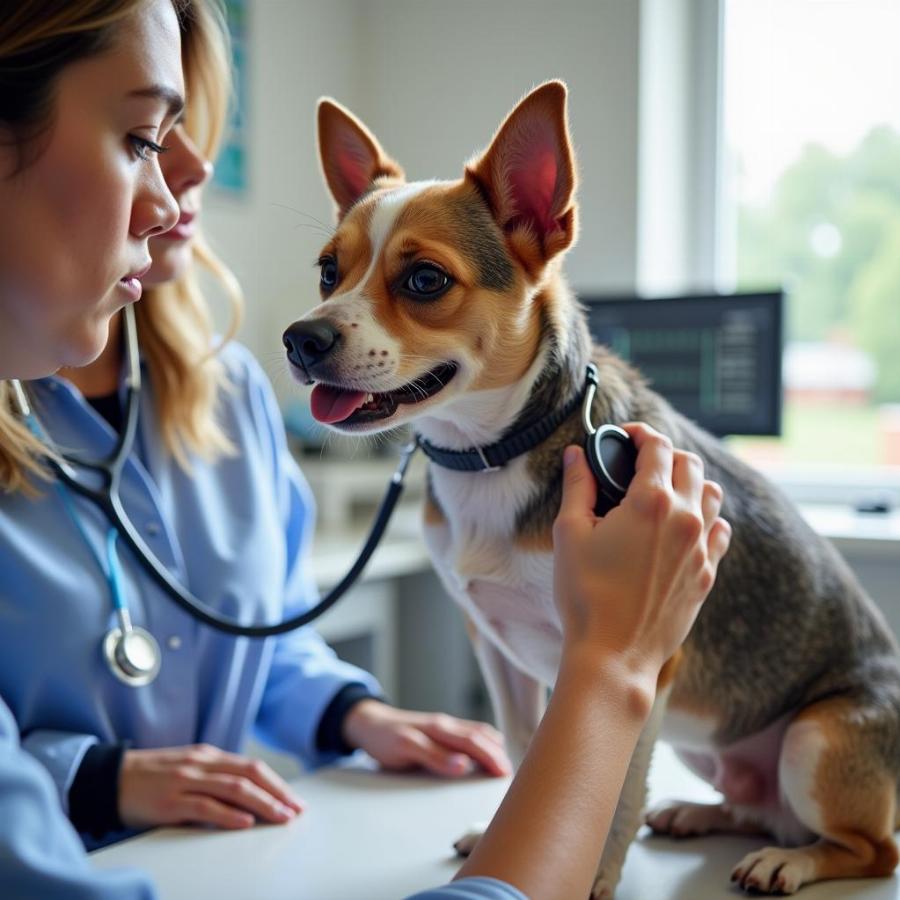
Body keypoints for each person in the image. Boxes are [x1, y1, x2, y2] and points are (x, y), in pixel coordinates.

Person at [0, 2, 731, 899]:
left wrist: (353, 713)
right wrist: (95, 776)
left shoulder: (231, 394)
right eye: (147, 133)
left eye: (193, 128)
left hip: (227, 854)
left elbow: (268, 634)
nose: (183, 174)